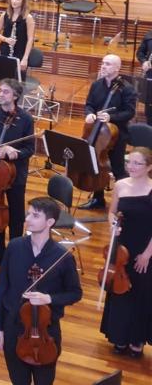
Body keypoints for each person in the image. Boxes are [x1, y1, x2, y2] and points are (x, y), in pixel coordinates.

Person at [0, 196, 83, 385]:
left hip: (47, 331)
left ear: (49, 222)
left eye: (35, 215)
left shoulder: (62, 257)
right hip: (13, 326)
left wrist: (48, 298)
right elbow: (1, 288)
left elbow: (75, 293)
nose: (28, 219)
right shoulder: (14, 247)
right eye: (28, 214)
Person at [100, 147, 152, 358]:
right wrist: (112, 223)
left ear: (149, 167)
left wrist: (148, 254)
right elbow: (112, 212)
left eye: (137, 163)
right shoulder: (120, 185)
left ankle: (137, 339)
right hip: (121, 248)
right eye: (129, 161)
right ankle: (119, 335)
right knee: (120, 291)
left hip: (145, 248)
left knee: (141, 292)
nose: (131, 166)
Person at [0, 79, 36, 268]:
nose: (0, 94)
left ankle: (14, 255)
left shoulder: (26, 119)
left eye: (5, 92)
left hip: (15, 175)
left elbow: (30, 149)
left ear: (15, 96)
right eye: (0, 91)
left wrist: (15, 152)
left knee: (16, 215)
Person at [78, 54, 138, 210]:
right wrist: (89, 114)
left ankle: (124, 203)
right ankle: (98, 199)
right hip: (98, 132)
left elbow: (129, 112)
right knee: (96, 164)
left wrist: (111, 116)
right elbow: (89, 104)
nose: (103, 66)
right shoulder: (97, 85)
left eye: (108, 64)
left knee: (118, 169)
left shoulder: (127, 89)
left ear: (117, 68)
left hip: (116, 136)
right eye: (103, 63)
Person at [0, 0, 36, 74]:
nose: (14, 1)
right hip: (5, 52)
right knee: (4, 81)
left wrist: (25, 59)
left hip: (20, 54)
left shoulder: (28, 18)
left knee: (17, 84)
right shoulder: (5, 15)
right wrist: (6, 39)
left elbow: (30, 39)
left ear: (23, 1)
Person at [135, 30, 152, 125]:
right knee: (149, 108)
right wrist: (144, 61)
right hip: (150, 76)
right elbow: (140, 53)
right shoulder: (149, 35)